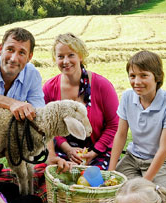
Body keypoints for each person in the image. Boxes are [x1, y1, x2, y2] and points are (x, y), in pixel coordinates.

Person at [43, 33, 119, 171]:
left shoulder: (102, 85)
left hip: (98, 151)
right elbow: (50, 127)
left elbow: (114, 124)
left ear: (80, 55)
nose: (65, 61)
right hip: (64, 151)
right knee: (49, 175)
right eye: (60, 56)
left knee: (92, 180)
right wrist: (68, 150)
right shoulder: (49, 88)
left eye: (71, 55)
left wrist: (94, 152)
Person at [108, 50, 166, 188]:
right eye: (132, 76)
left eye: (144, 76)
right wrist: (111, 171)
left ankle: (158, 176)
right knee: (115, 188)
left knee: (147, 196)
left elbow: (165, 148)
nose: (137, 82)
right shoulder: (127, 97)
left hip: (162, 160)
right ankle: (147, 179)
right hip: (134, 157)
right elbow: (121, 134)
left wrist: (146, 181)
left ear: (157, 77)